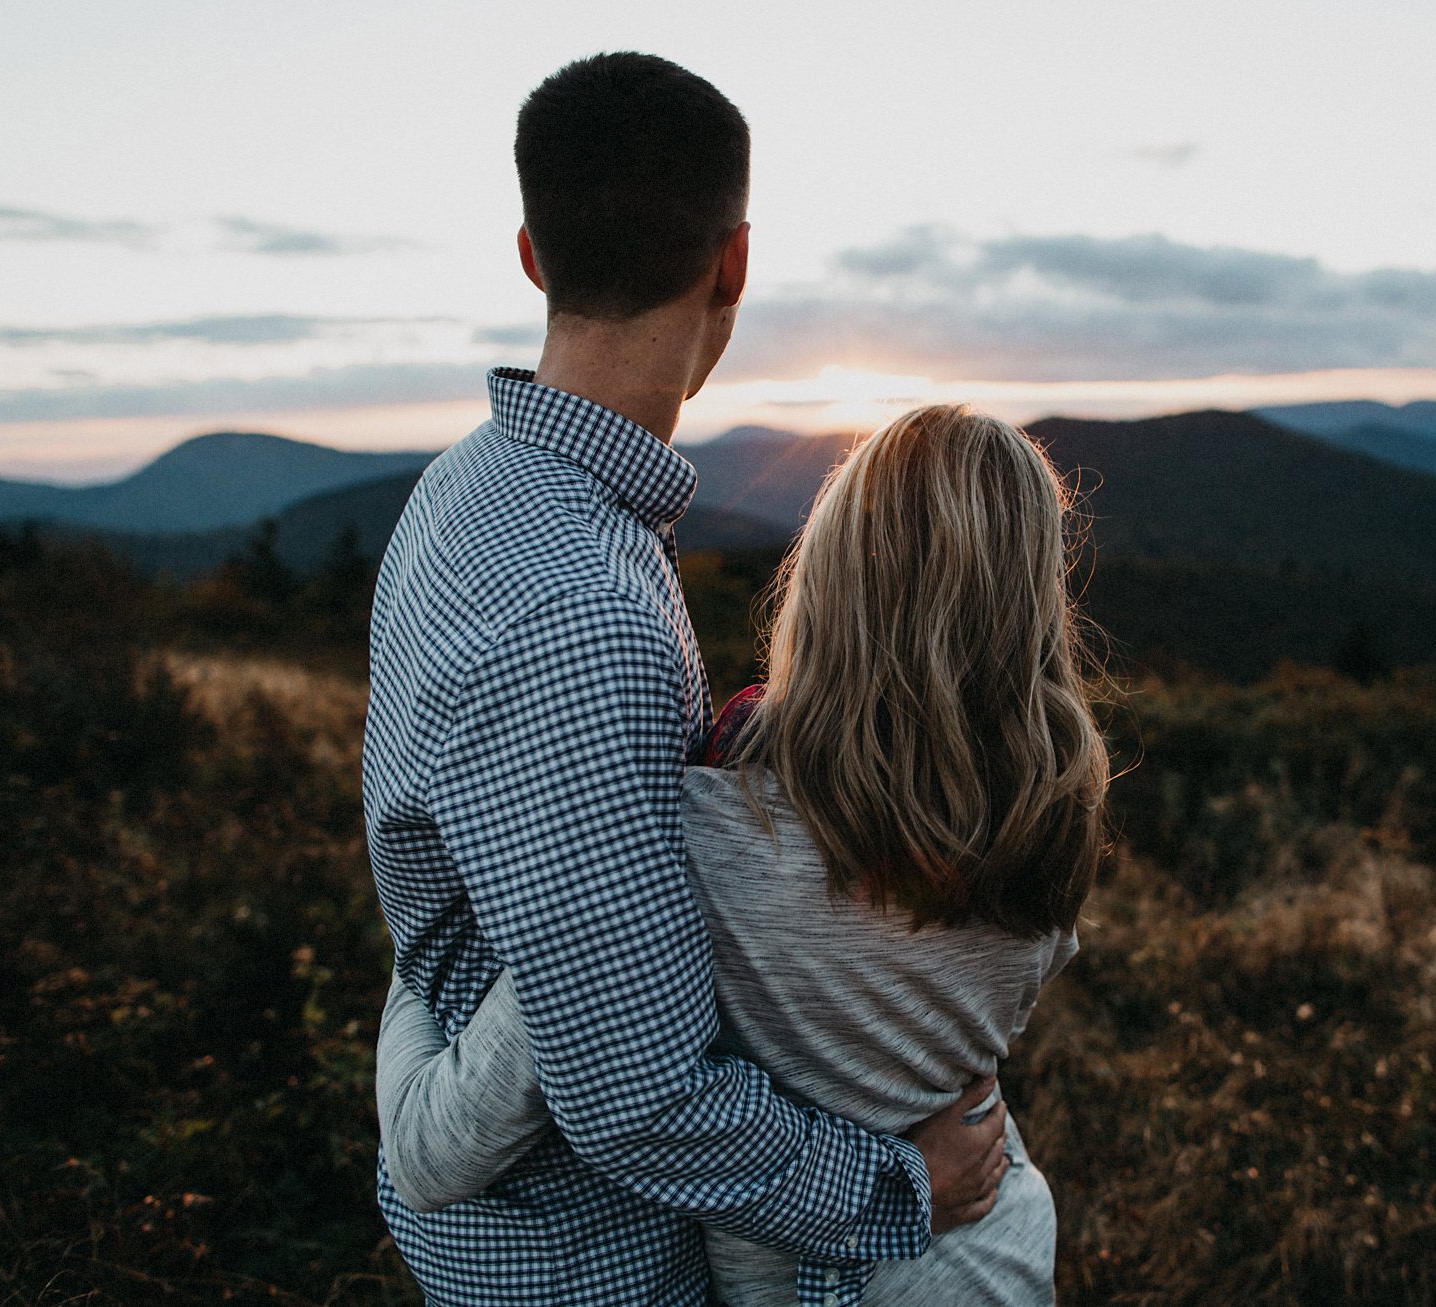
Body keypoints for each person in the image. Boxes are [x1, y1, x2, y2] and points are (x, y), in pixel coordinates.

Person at [362, 54, 1009, 1307]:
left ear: (532, 254)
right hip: (583, 1257)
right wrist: (900, 1190)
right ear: (735, 264)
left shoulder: (463, 487)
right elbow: (639, 1094)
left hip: (498, 1190)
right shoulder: (588, 615)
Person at [377, 403, 1111, 1304]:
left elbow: (433, 1148)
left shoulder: (698, 846)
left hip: (830, 1280)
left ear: (831, 576)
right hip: (1001, 1250)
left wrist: (442, 934)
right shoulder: (1044, 843)